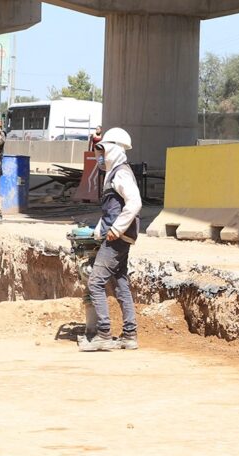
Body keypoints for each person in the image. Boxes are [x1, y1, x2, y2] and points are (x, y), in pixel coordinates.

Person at [78, 127, 142, 352]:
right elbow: (112, 209)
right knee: (120, 282)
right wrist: (100, 229)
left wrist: (115, 228)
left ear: (114, 149)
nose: (101, 155)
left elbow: (134, 203)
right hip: (120, 235)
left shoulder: (121, 173)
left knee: (95, 282)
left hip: (118, 236)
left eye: (104, 150)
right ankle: (129, 335)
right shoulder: (115, 173)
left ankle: (104, 333)